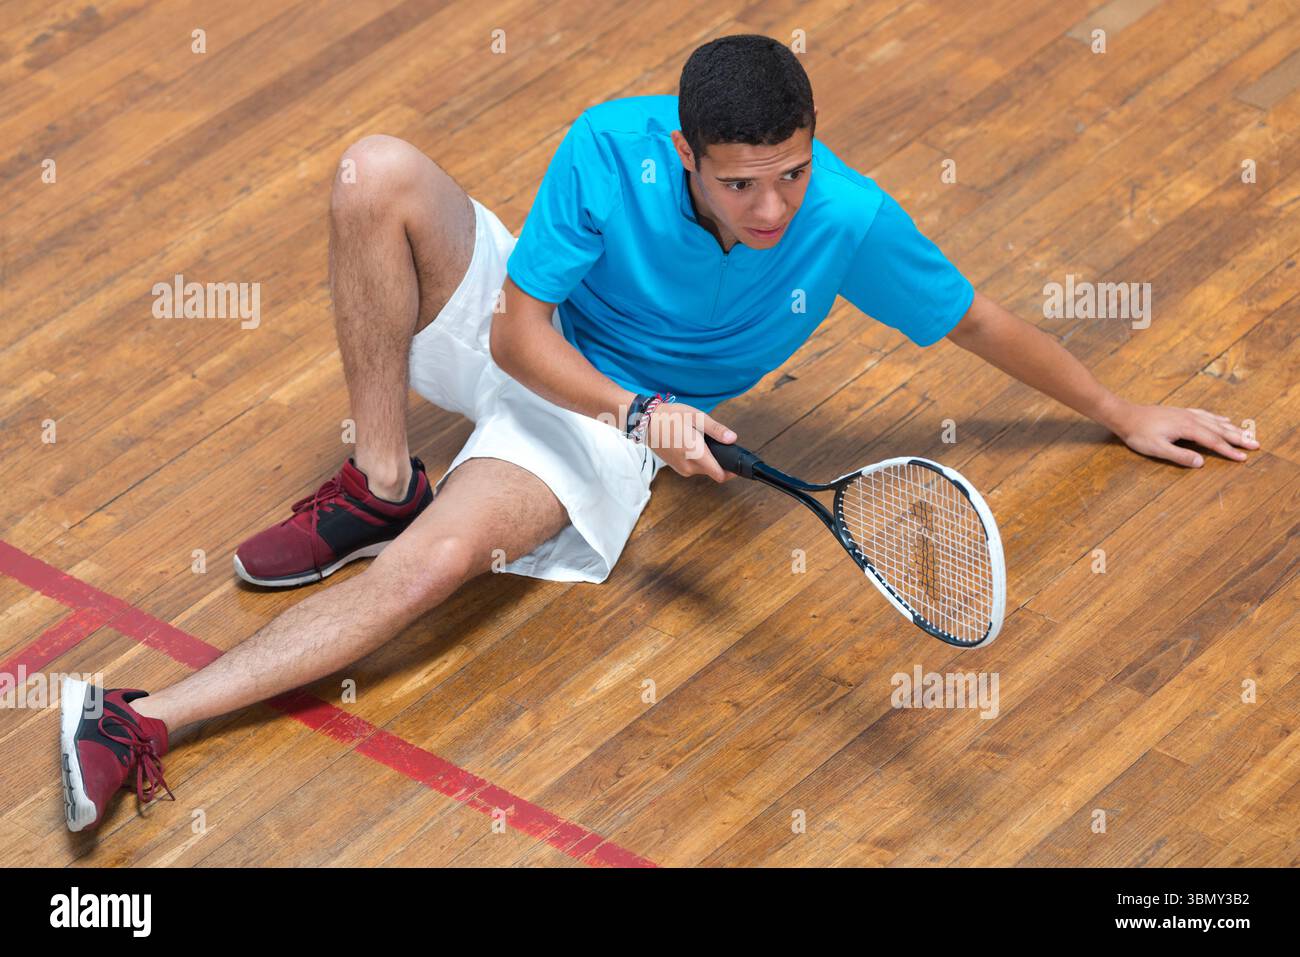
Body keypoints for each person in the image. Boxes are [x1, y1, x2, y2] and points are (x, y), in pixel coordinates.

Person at [60, 34, 1258, 832]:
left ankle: (145, 717)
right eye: (742, 184)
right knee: (373, 174)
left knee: (438, 564)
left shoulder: (843, 219)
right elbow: (525, 335)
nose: (774, 206)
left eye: (790, 172)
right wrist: (635, 405)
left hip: (598, 435)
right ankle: (381, 477)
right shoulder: (608, 147)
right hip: (553, 346)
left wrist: (1118, 411)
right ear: (684, 152)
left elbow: (977, 320)